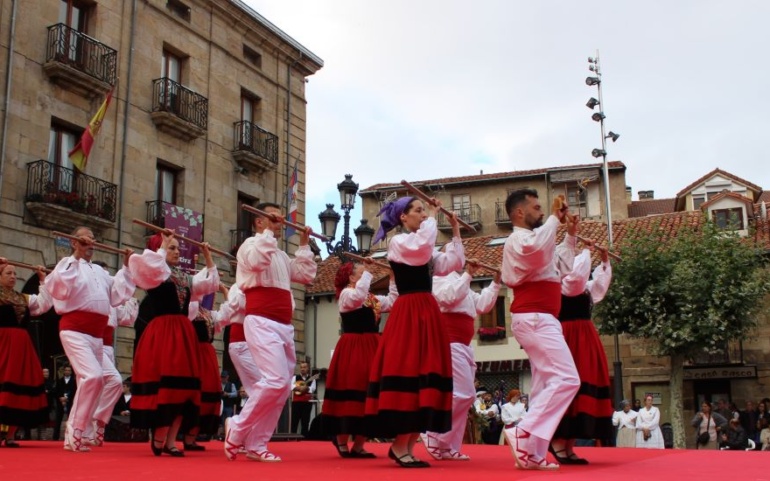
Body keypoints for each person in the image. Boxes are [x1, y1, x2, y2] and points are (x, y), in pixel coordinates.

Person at [363, 196, 463, 468]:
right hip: (410, 311)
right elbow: (421, 248)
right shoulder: (400, 242)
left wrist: (455, 231)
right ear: (403, 217)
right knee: (410, 370)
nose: (423, 215)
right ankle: (399, 445)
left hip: (426, 311)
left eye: (423, 211)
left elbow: (452, 263)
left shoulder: (424, 245)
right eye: (418, 211)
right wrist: (433, 214)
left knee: (426, 374)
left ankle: (406, 445)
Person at [224, 202, 317, 462]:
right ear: (259, 221)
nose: (280, 222)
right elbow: (256, 262)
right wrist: (267, 234)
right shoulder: (250, 246)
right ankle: (237, 427)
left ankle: (257, 443)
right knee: (275, 380)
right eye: (274, 217)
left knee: (283, 387)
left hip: (284, 325)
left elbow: (305, 275)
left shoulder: (281, 256)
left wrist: (303, 244)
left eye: (280, 218)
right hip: (261, 321)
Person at [500, 189, 580, 470]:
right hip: (535, 318)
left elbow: (563, 266)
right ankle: (523, 430)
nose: (542, 212)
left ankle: (532, 452)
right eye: (536, 207)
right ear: (519, 212)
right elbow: (536, 250)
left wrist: (570, 235)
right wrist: (555, 221)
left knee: (546, 384)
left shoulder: (537, 241)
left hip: (540, 319)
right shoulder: (519, 240)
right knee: (567, 379)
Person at [44, 226, 136, 452]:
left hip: (96, 336)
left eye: (93, 239)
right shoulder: (67, 264)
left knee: (99, 382)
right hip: (74, 330)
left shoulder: (100, 271)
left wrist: (126, 266)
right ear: (74, 242)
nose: (90, 242)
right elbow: (58, 285)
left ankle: (85, 430)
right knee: (93, 376)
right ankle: (74, 430)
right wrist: (76, 255)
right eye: (85, 239)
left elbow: (116, 295)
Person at [128, 231, 219, 456]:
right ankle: (159, 437)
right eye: (172, 247)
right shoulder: (154, 273)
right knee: (167, 386)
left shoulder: (184, 277)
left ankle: (171, 441)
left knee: (184, 389)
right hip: (163, 333)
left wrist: (207, 256)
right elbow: (152, 268)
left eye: (178, 248)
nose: (177, 251)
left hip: (182, 334)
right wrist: (162, 246)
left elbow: (209, 284)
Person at [422, 259, 500, 460]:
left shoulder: (460, 279)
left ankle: (448, 445)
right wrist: (468, 274)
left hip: (465, 345)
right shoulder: (438, 278)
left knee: (464, 398)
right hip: (450, 343)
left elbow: (482, 304)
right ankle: (432, 433)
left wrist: (496, 282)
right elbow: (449, 297)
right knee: (464, 394)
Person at [323, 261, 398, 458]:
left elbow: (393, 301)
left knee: (370, 393)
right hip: (354, 348)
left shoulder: (370, 297)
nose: (365, 273)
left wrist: (393, 279)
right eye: (361, 271)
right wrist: (368, 273)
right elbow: (357, 297)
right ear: (351, 277)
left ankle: (359, 444)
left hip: (371, 347)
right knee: (352, 390)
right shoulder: (346, 294)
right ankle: (341, 440)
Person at [551, 244, 613, 464]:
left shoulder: (583, 286)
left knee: (586, 379)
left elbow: (599, 286)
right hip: (570, 336)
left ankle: (569, 444)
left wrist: (604, 262)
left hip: (584, 336)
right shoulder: (563, 282)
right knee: (570, 384)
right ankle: (558, 442)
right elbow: (576, 278)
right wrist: (586, 251)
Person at [0, 260, 52, 446]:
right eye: (8, 273)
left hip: (21, 348)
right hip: (2, 345)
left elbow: (45, 304)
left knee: (19, 386)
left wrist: (42, 279)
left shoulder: (23, 298)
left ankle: (10, 435)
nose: (13, 277)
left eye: (15, 273)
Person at [291, 361, 317, 436]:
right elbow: (291, 386)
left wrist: (306, 388)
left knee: (305, 422)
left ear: (308, 368)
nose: (302, 369)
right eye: (301, 367)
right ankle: (292, 437)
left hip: (307, 403)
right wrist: (299, 388)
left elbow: (312, 389)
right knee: (294, 421)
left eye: (304, 367)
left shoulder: (312, 379)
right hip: (296, 403)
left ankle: (304, 437)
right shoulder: (295, 377)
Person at [53, 365, 76, 441]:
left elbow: (74, 392)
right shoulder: (60, 380)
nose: (67, 372)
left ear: (71, 372)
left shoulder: (74, 381)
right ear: (64, 371)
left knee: (71, 420)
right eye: (66, 370)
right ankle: (55, 437)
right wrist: (60, 398)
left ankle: (71, 437)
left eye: (69, 370)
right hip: (60, 402)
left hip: (70, 402)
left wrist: (67, 398)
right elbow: (56, 391)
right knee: (58, 420)